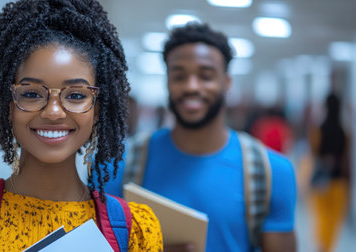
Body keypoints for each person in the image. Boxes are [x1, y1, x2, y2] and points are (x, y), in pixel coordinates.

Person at [0, 0, 162, 251]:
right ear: (8, 105)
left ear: (97, 108)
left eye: (76, 95)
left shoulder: (135, 232)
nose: (53, 112)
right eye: (31, 94)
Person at [121, 23, 297, 251]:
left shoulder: (272, 172)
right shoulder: (122, 163)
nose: (191, 86)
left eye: (206, 76)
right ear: (167, 82)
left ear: (227, 83)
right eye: (179, 76)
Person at [308, 92, 350, 252]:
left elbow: (313, 155)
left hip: (321, 182)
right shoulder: (344, 132)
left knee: (321, 218)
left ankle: (321, 248)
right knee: (333, 221)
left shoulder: (318, 130)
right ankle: (328, 248)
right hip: (339, 182)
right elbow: (345, 160)